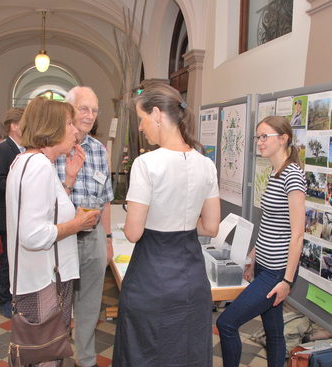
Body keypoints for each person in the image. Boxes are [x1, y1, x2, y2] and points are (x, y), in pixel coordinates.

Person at [112, 82, 221, 367]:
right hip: (192, 279)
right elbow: (211, 227)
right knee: (186, 353)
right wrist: (179, 220)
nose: (140, 127)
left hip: (152, 276)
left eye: (141, 118)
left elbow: (133, 232)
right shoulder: (206, 164)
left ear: (157, 114)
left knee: (145, 353)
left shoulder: (147, 164)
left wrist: (147, 216)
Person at [6, 97, 99, 367]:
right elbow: (33, 234)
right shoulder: (37, 167)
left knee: (46, 352)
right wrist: (76, 225)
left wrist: (68, 181)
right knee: (45, 355)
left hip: (41, 276)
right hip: (43, 281)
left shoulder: (29, 162)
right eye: (69, 123)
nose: (75, 130)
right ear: (53, 127)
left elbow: (47, 211)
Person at [216, 115, 306, 367]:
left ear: (284, 138)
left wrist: (287, 280)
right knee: (274, 332)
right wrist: (253, 257)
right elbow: (269, 224)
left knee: (226, 323)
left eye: (265, 136)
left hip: (278, 271)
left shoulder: (293, 177)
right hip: (265, 265)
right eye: (258, 137)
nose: (260, 142)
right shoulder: (275, 172)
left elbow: (298, 234)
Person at [55, 86, 114, 367]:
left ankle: (86, 359)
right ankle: (54, 355)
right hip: (61, 237)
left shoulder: (100, 150)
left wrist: (109, 240)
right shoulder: (54, 148)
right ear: (69, 110)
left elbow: (106, 200)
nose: (90, 115)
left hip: (94, 238)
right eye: (84, 109)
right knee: (57, 304)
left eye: (94, 110)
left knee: (90, 304)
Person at [0, 107, 24, 317]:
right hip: (6, 215)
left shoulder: (27, 148)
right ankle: (5, 299)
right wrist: (22, 184)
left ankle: (19, 296)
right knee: (7, 260)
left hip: (23, 215)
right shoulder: (1, 150)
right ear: (14, 126)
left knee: (20, 260)